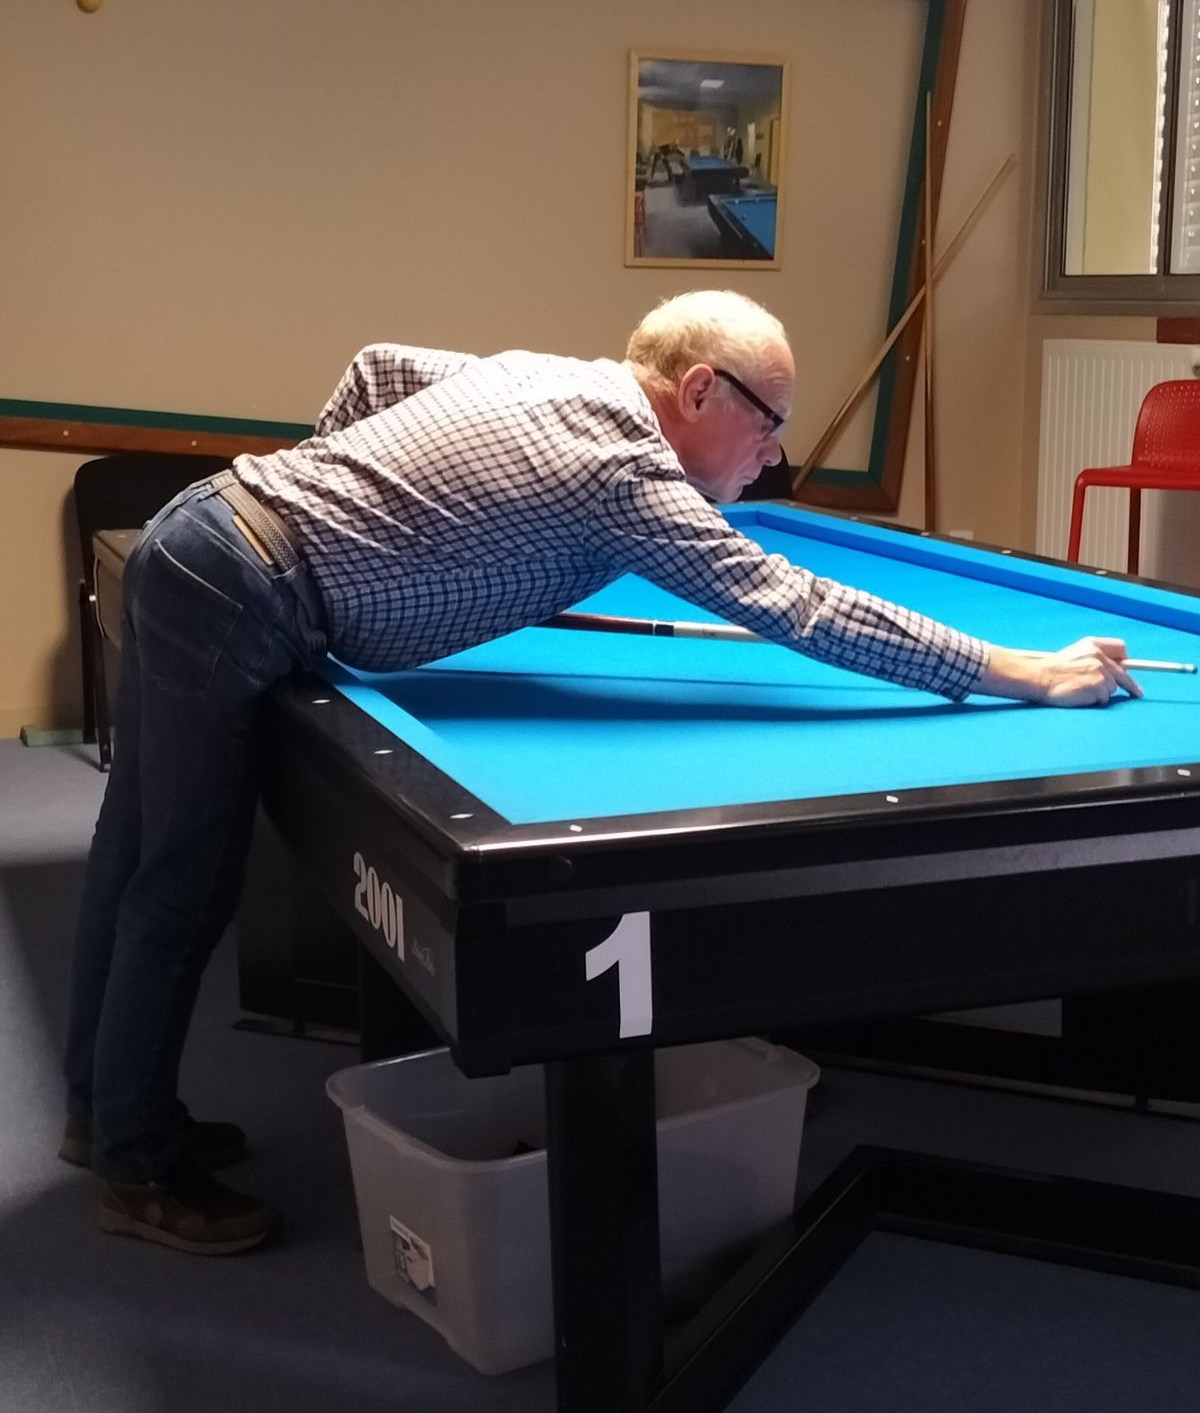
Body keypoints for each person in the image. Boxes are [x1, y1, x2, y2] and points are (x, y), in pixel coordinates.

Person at [60, 289, 1140, 1256]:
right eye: (768, 421)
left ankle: (101, 1109)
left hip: (205, 537)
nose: (771, 455)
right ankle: (139, 1169)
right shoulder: (626, 472)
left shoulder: (554, 374)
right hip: (244, 589)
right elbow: (797, 605)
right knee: (183, 879)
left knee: (132, 848)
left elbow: (379, 367)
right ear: (701, 390)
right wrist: (1009, 669)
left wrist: (346, 506)